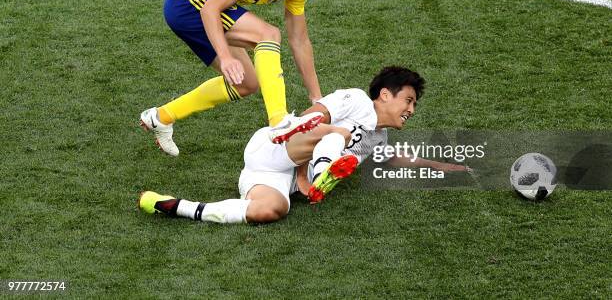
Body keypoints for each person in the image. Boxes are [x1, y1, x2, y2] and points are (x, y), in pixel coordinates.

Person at [138, 66, 470, 224]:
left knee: (272, 211)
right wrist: (304, 171)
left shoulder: (378, 139)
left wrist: (446, 168)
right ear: (385, 94)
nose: (411, 110)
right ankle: (322, 171)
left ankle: (178, 207)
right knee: (335, 132)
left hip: (264, 177)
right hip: (276, 146)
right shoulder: (355, 100)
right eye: (408, 100)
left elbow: (397, 159)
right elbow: (311, 117)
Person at [140, 0, 337, 156]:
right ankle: (279, 122)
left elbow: (299, 40)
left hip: (210, 7)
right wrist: (225, 56)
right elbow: (210, 9)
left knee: (246, 84)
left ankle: (161, 117)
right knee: (268, 34)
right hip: (188, 4)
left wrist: (317, 99)